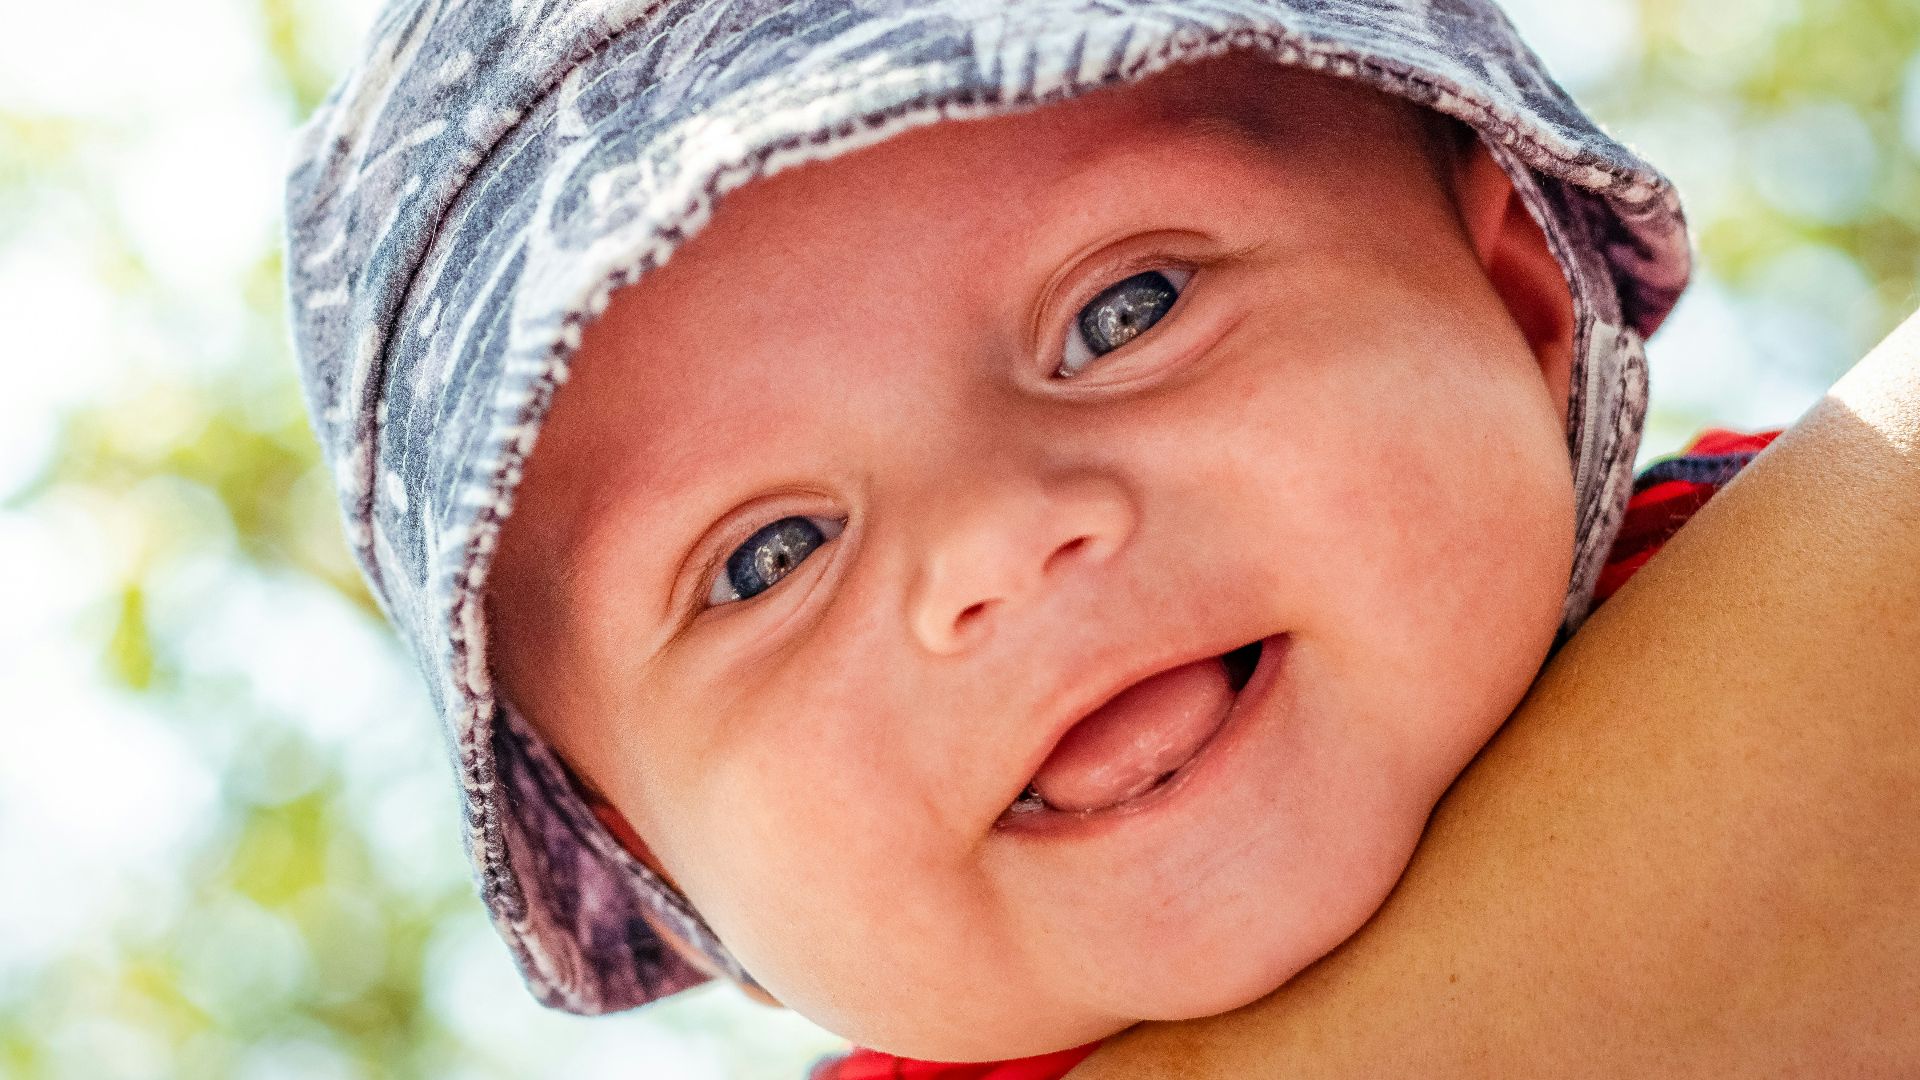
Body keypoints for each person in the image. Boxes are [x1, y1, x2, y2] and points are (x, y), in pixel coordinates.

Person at [281, 0, 1751, 1071]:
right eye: (766, 558)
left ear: (1519, 298)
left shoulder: (1854, 576)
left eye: (1125, 313)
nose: (990, 545)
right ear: (657, 859)